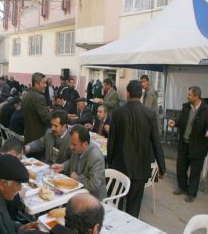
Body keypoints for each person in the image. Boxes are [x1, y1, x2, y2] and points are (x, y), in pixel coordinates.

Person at [107, 80, 166, 217]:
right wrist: (162, 168)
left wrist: (110, 162)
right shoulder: (149, 114)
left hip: (120, 166)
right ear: (141, 94)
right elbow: (156, 142)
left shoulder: (117, 113)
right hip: (140, 168)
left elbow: (112, 141)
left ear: (127, 93)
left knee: (117, 202)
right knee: (134, 207)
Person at [168, 86, 208, 202]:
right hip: (184, 144)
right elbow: (180, 120)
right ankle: (182, 187)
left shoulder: (206, 110)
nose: (187, 96)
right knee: (181, 167)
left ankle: (191, 193)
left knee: (195, 172)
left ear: (196, 96)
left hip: (198, 146)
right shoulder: (186, 107)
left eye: (189, 95)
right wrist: (174, 122)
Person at [52, 125, 107, 200]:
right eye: (71, 143)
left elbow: (94, 185)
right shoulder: (77, 148)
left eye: (74, 144)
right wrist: (63, 166)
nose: (71, 147)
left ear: (85, 144)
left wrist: (78, 178)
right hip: (77, 192)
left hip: (93, 198)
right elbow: (73, 161)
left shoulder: (96, 157)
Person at [22, 72, 51, 145]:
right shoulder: (39, 97)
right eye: (43, 83)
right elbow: (46, 118)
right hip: (38, 138)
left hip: (28, 135)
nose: (46, 85)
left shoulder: (27, 95)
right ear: (36, 84)